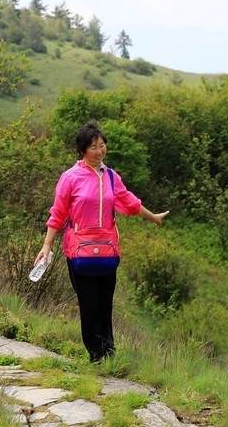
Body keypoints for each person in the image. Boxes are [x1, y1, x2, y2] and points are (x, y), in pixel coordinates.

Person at [35, 120, 169, 363]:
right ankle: (97, 356)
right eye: (94, 146)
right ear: (82, 150)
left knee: (105, 303)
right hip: (78, 250)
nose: (100, 150)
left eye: (103, 145)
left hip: (107, 249)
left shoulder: (110, 177)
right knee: (89, 304)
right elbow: (58, 213)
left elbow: (129, 201)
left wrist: (152, 217)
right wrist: (47, 245)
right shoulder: (70, 178)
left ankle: (109, 352)